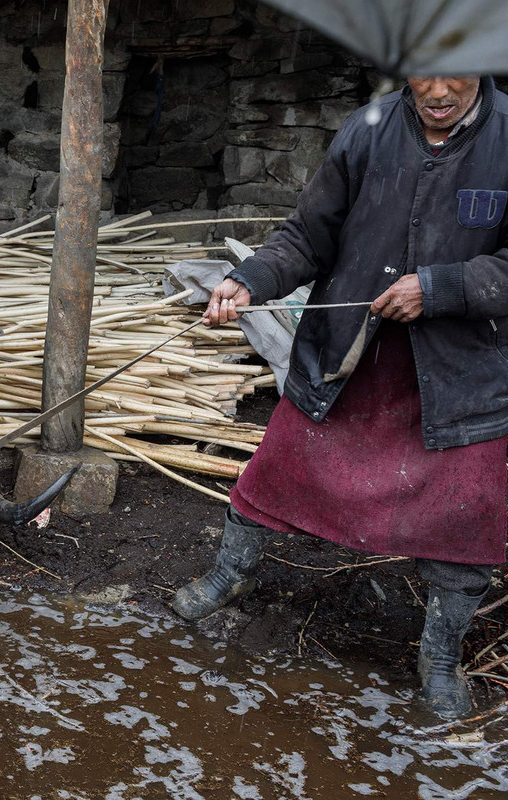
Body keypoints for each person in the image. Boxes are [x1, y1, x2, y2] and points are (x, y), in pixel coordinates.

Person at [173, 74, 508, 720]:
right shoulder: (368, 131)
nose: (437, 90)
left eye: (455, 73)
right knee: (277, 470)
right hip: (350, 358)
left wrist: (439, 288)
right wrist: (251, 281)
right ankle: (229, 574)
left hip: (460, 380)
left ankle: (439, 655)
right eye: (423, 72)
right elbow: (307, 236)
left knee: (467, 514)